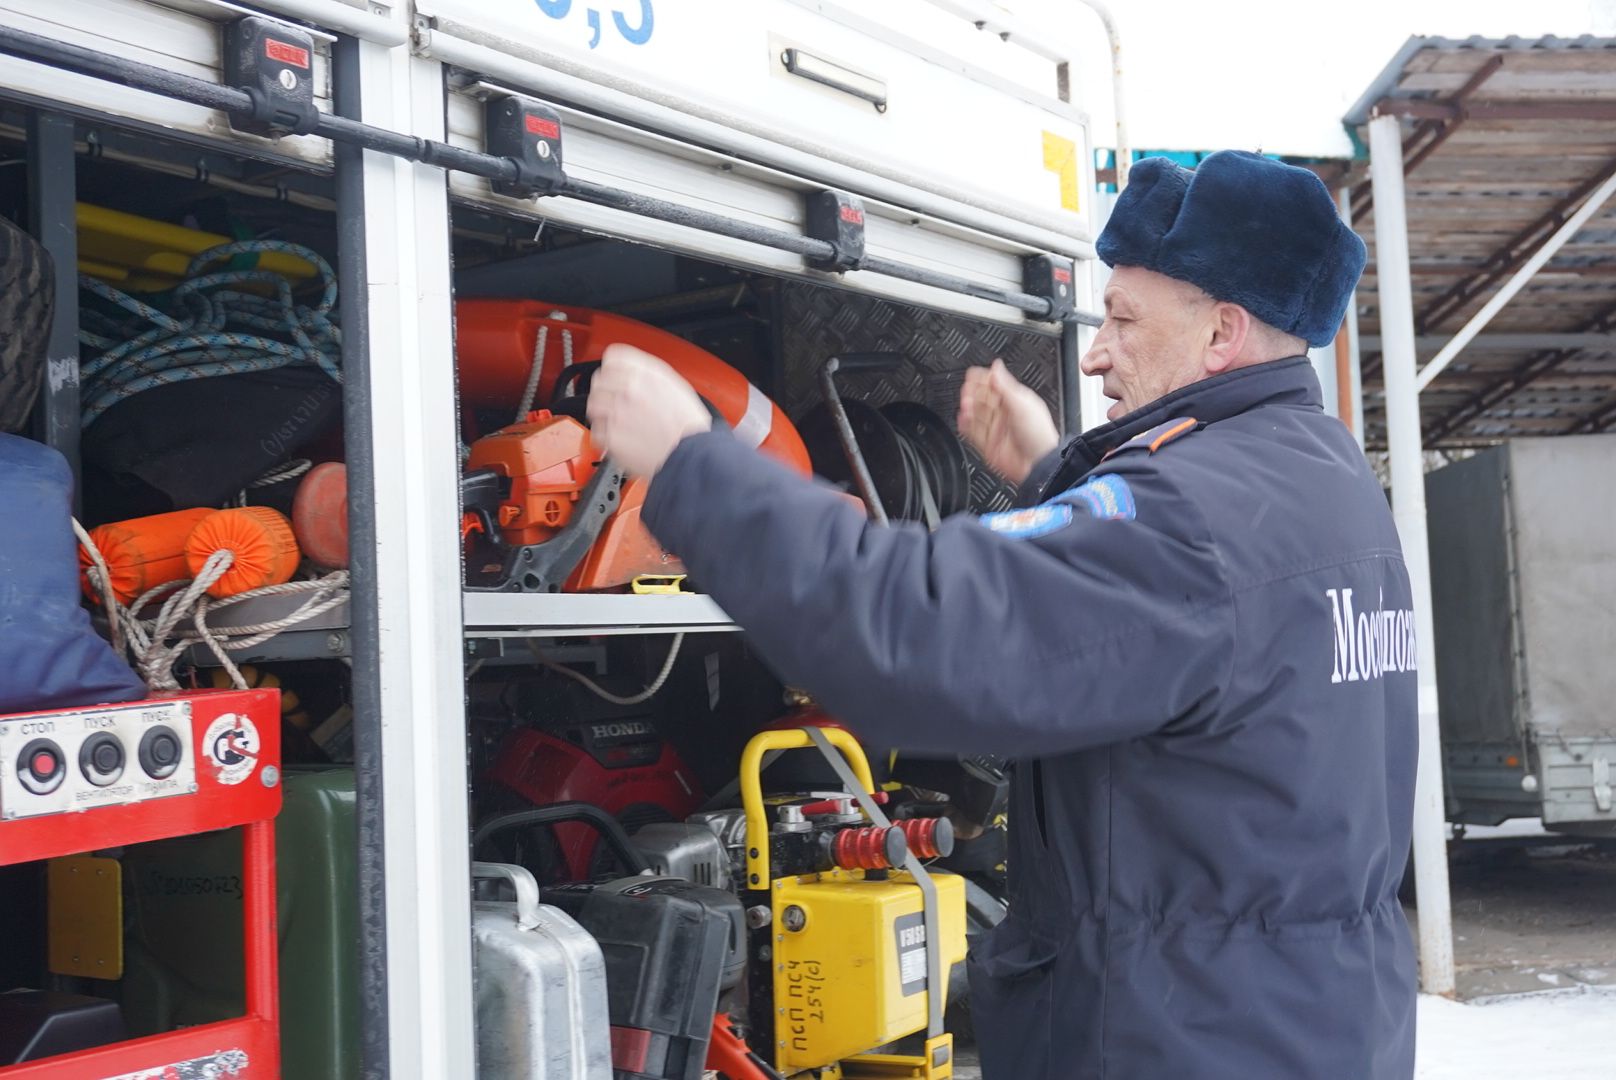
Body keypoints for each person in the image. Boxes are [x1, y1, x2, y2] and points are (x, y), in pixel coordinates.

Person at [586, 150, 1417, 1080]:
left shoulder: (1189, 519)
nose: (1096, 350)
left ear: (1221, 333)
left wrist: (696, 466)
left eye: (1125, 319)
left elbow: (918, 638)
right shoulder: (1329, 480)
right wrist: (1061, 477)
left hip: (1184, 1043)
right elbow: (1183, 615)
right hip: (1312, 1025)